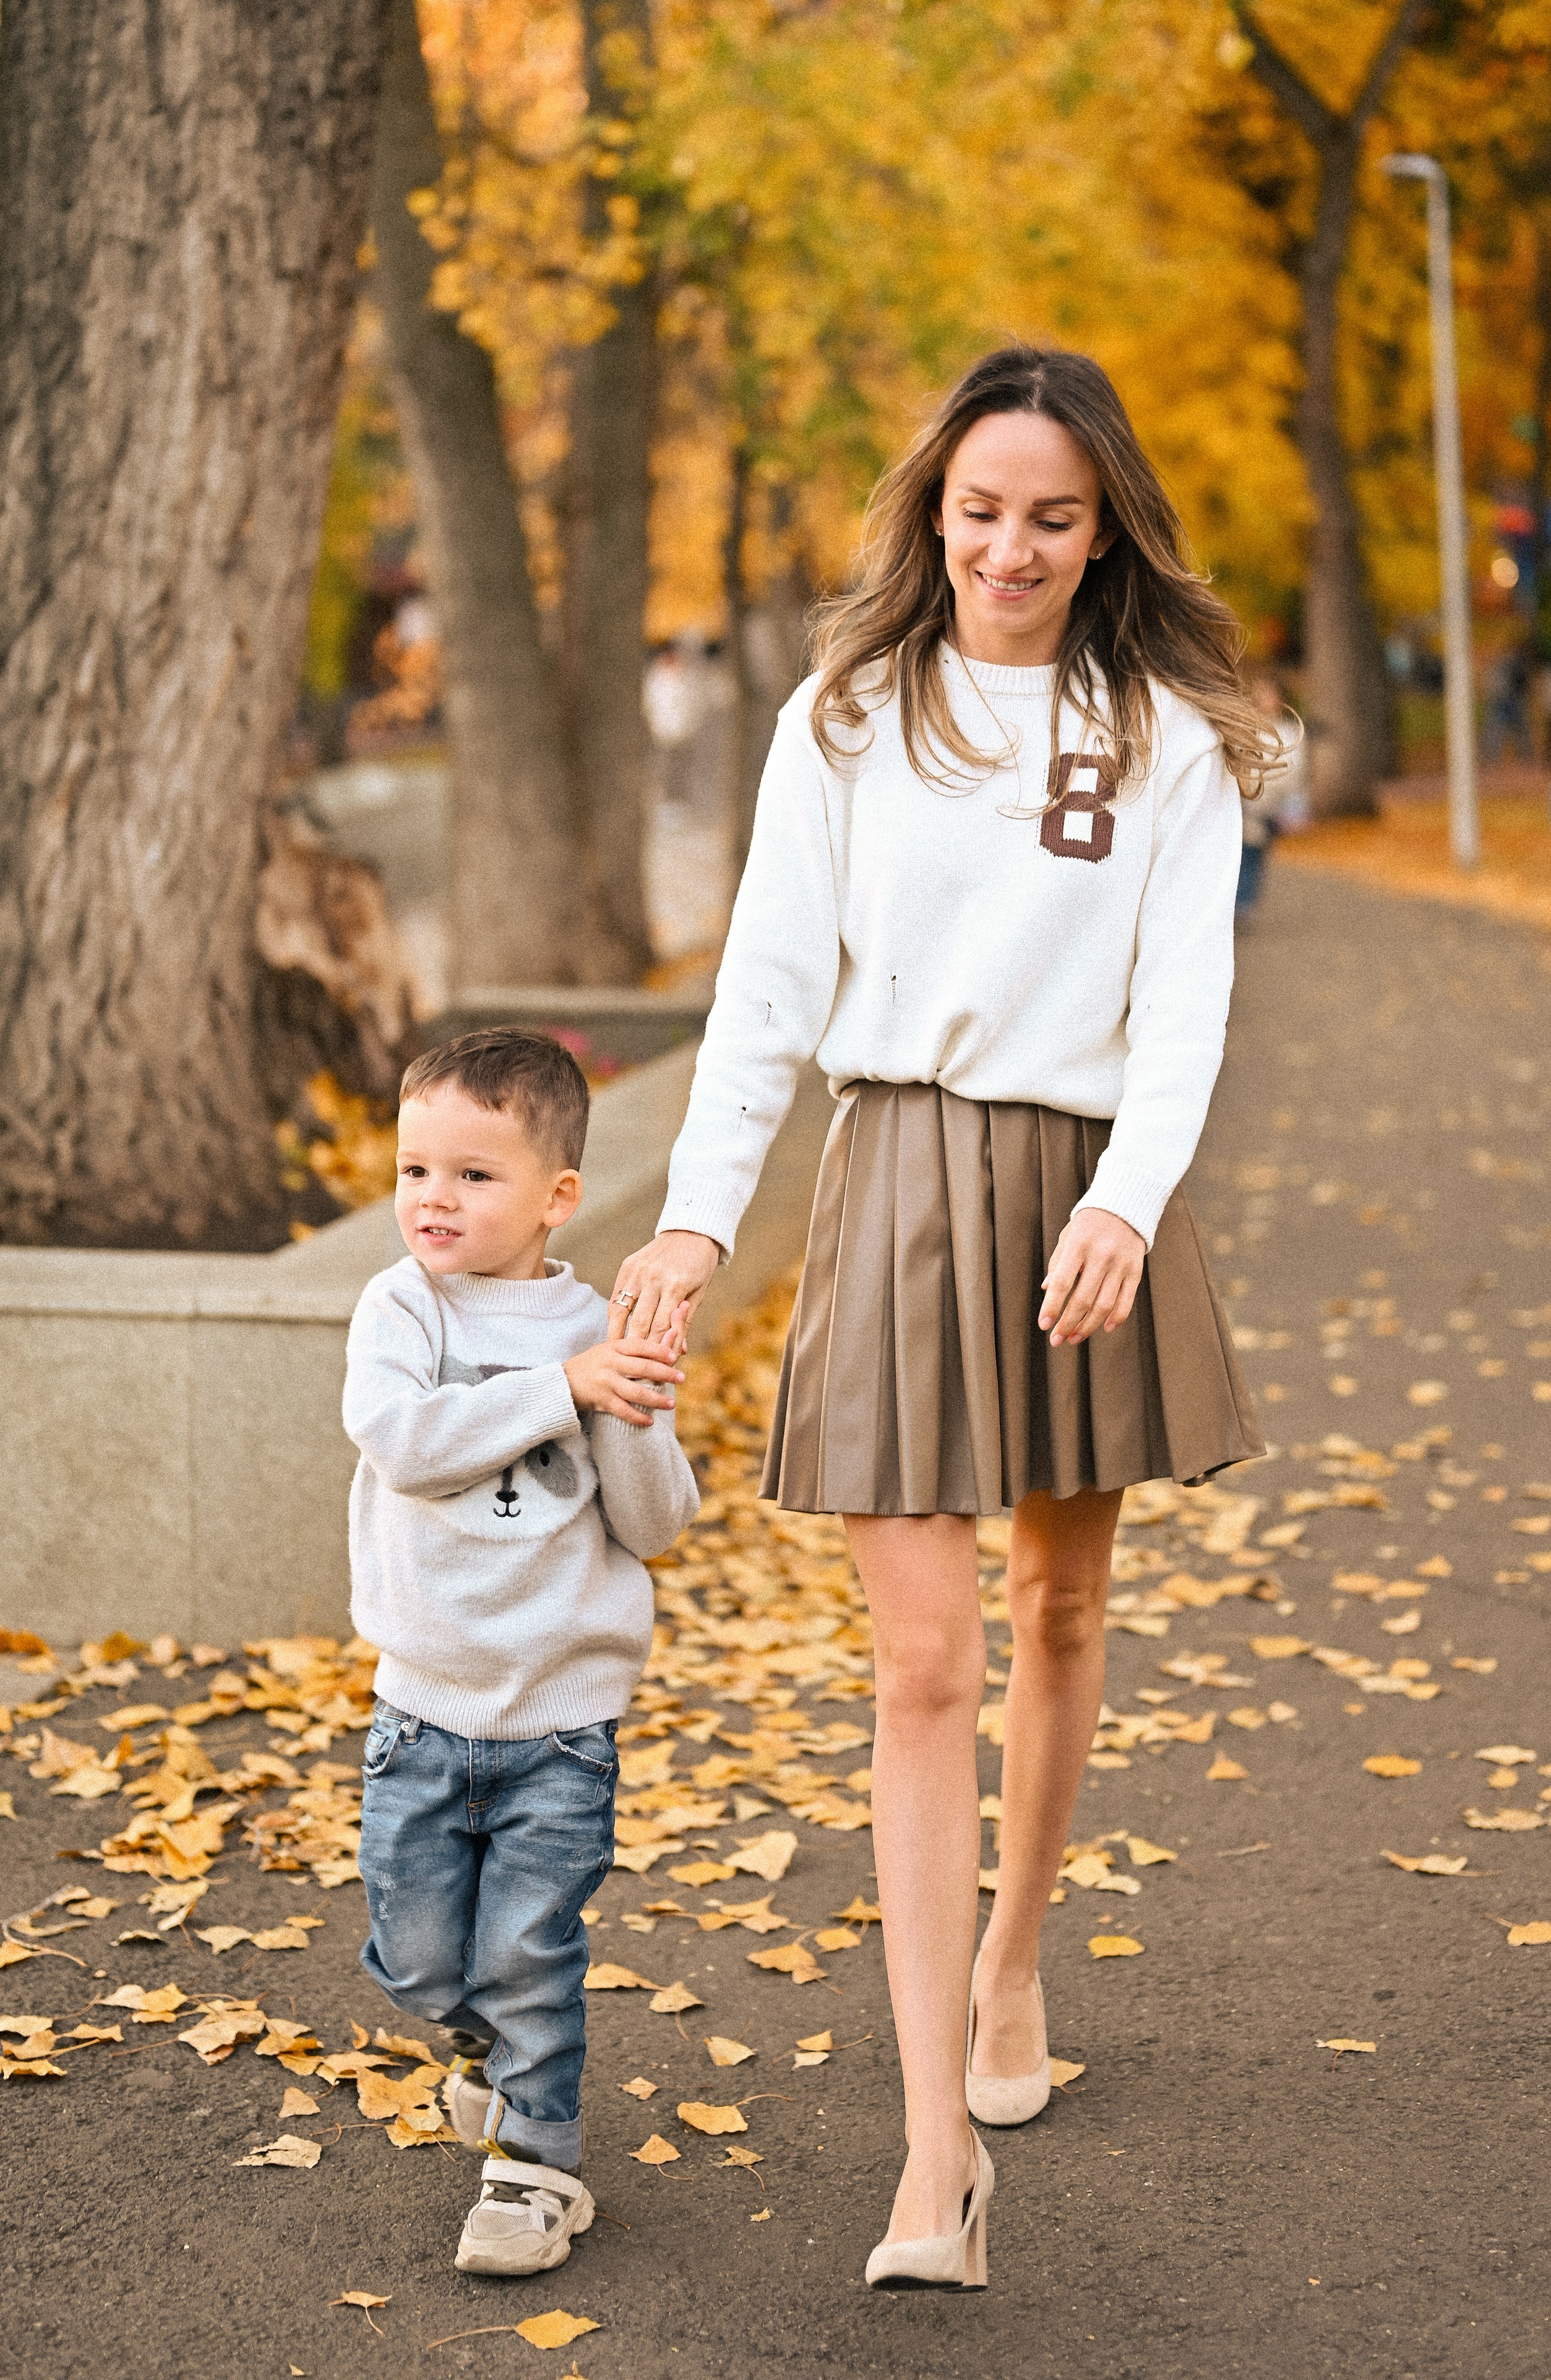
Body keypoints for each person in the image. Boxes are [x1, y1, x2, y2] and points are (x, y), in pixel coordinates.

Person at [607, 345, 1273, 2291]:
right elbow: (760, 992)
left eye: (1049, 517)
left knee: (1061, 1606)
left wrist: (1132, 1200)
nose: (1008, 547)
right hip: (895, 1185)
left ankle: (1011, 1956)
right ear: (930, 513)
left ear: (1102, 527)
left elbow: (1185, 1004)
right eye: (977, 511)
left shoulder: (1162, 738)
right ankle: (927, 2167)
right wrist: (690, 1229)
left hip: (1083, 1193)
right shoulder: (839, 719)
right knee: (919, 1667)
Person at [343, 1028, 700, 2277]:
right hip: (422, 1710)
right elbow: (402, 1438)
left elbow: (651, 1523)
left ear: (558, 1196)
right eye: (413, 1169)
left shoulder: (598, 1326)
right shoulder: (401, 1307)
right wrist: (563, 1389)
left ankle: (536, 2169)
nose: (432, 1198)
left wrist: (632, 1406)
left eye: (472, 1175)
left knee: (528, 1948)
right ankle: (484, 2051)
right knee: (421, 1954)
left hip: (560, 1715)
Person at [1235, 672, 1308, 919]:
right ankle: (1240, 899)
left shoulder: (1290, 732)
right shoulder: (1249, 729)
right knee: (1246, 848)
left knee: (1256, 849)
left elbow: (1299, 769)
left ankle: (1245, 898)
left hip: (1275, 802)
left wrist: (1297, 806)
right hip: (1249, 800)